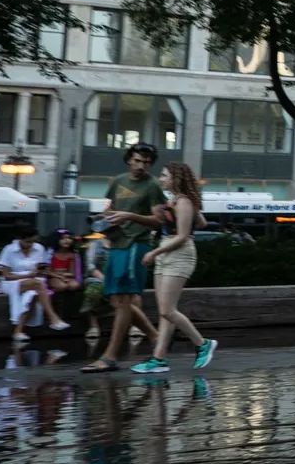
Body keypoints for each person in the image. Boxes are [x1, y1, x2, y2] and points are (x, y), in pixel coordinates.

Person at [83, 142, 169, 372]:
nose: (142, 166)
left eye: (147, 162)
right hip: (116, 242)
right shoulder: (118, 181)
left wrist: (130, 216)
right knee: (115, 299)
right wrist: (104, 219)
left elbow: (159, 220)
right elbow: (111, 208)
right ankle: (155, 337)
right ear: (129, 159)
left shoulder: (152, 186)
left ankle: (110, 357)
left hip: (135, 245)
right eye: (138, 160)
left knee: (122, 300)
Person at [130, 163, 218, 374]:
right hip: (166, 251)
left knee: (167, 310)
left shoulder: (184, 201)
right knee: (165, 312)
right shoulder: (177, 200)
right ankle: (158, 359)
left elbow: (182, 237)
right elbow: (203, 223)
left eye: (164, 175)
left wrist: (154, 253)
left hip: (178, 254)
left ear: (176, 177)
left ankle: (202, 343)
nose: (161, 179)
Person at [0, 226, 69, 340]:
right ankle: (53, 318)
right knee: (38, 284)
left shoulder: (39, 248)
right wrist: (28, 275)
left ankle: (18, 332)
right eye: (28, 242)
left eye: (33, 241)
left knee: (30, 296)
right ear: (20, 239)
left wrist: (52, 274)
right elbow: (6, 276)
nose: (30, 244)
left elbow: (42, 269)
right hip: (11, 282)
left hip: (33, 281)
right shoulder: (9, 249)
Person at [46, 230, 85, 295]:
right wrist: (59, 276)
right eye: (63, 238)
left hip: (66, 277)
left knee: (74, 285)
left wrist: (64, 276)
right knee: (62, 286)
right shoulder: (51, 253)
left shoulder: (72, 255)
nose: (67, 240)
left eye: (69, 238)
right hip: (53, 277)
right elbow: (47, 271)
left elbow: (72, 273)